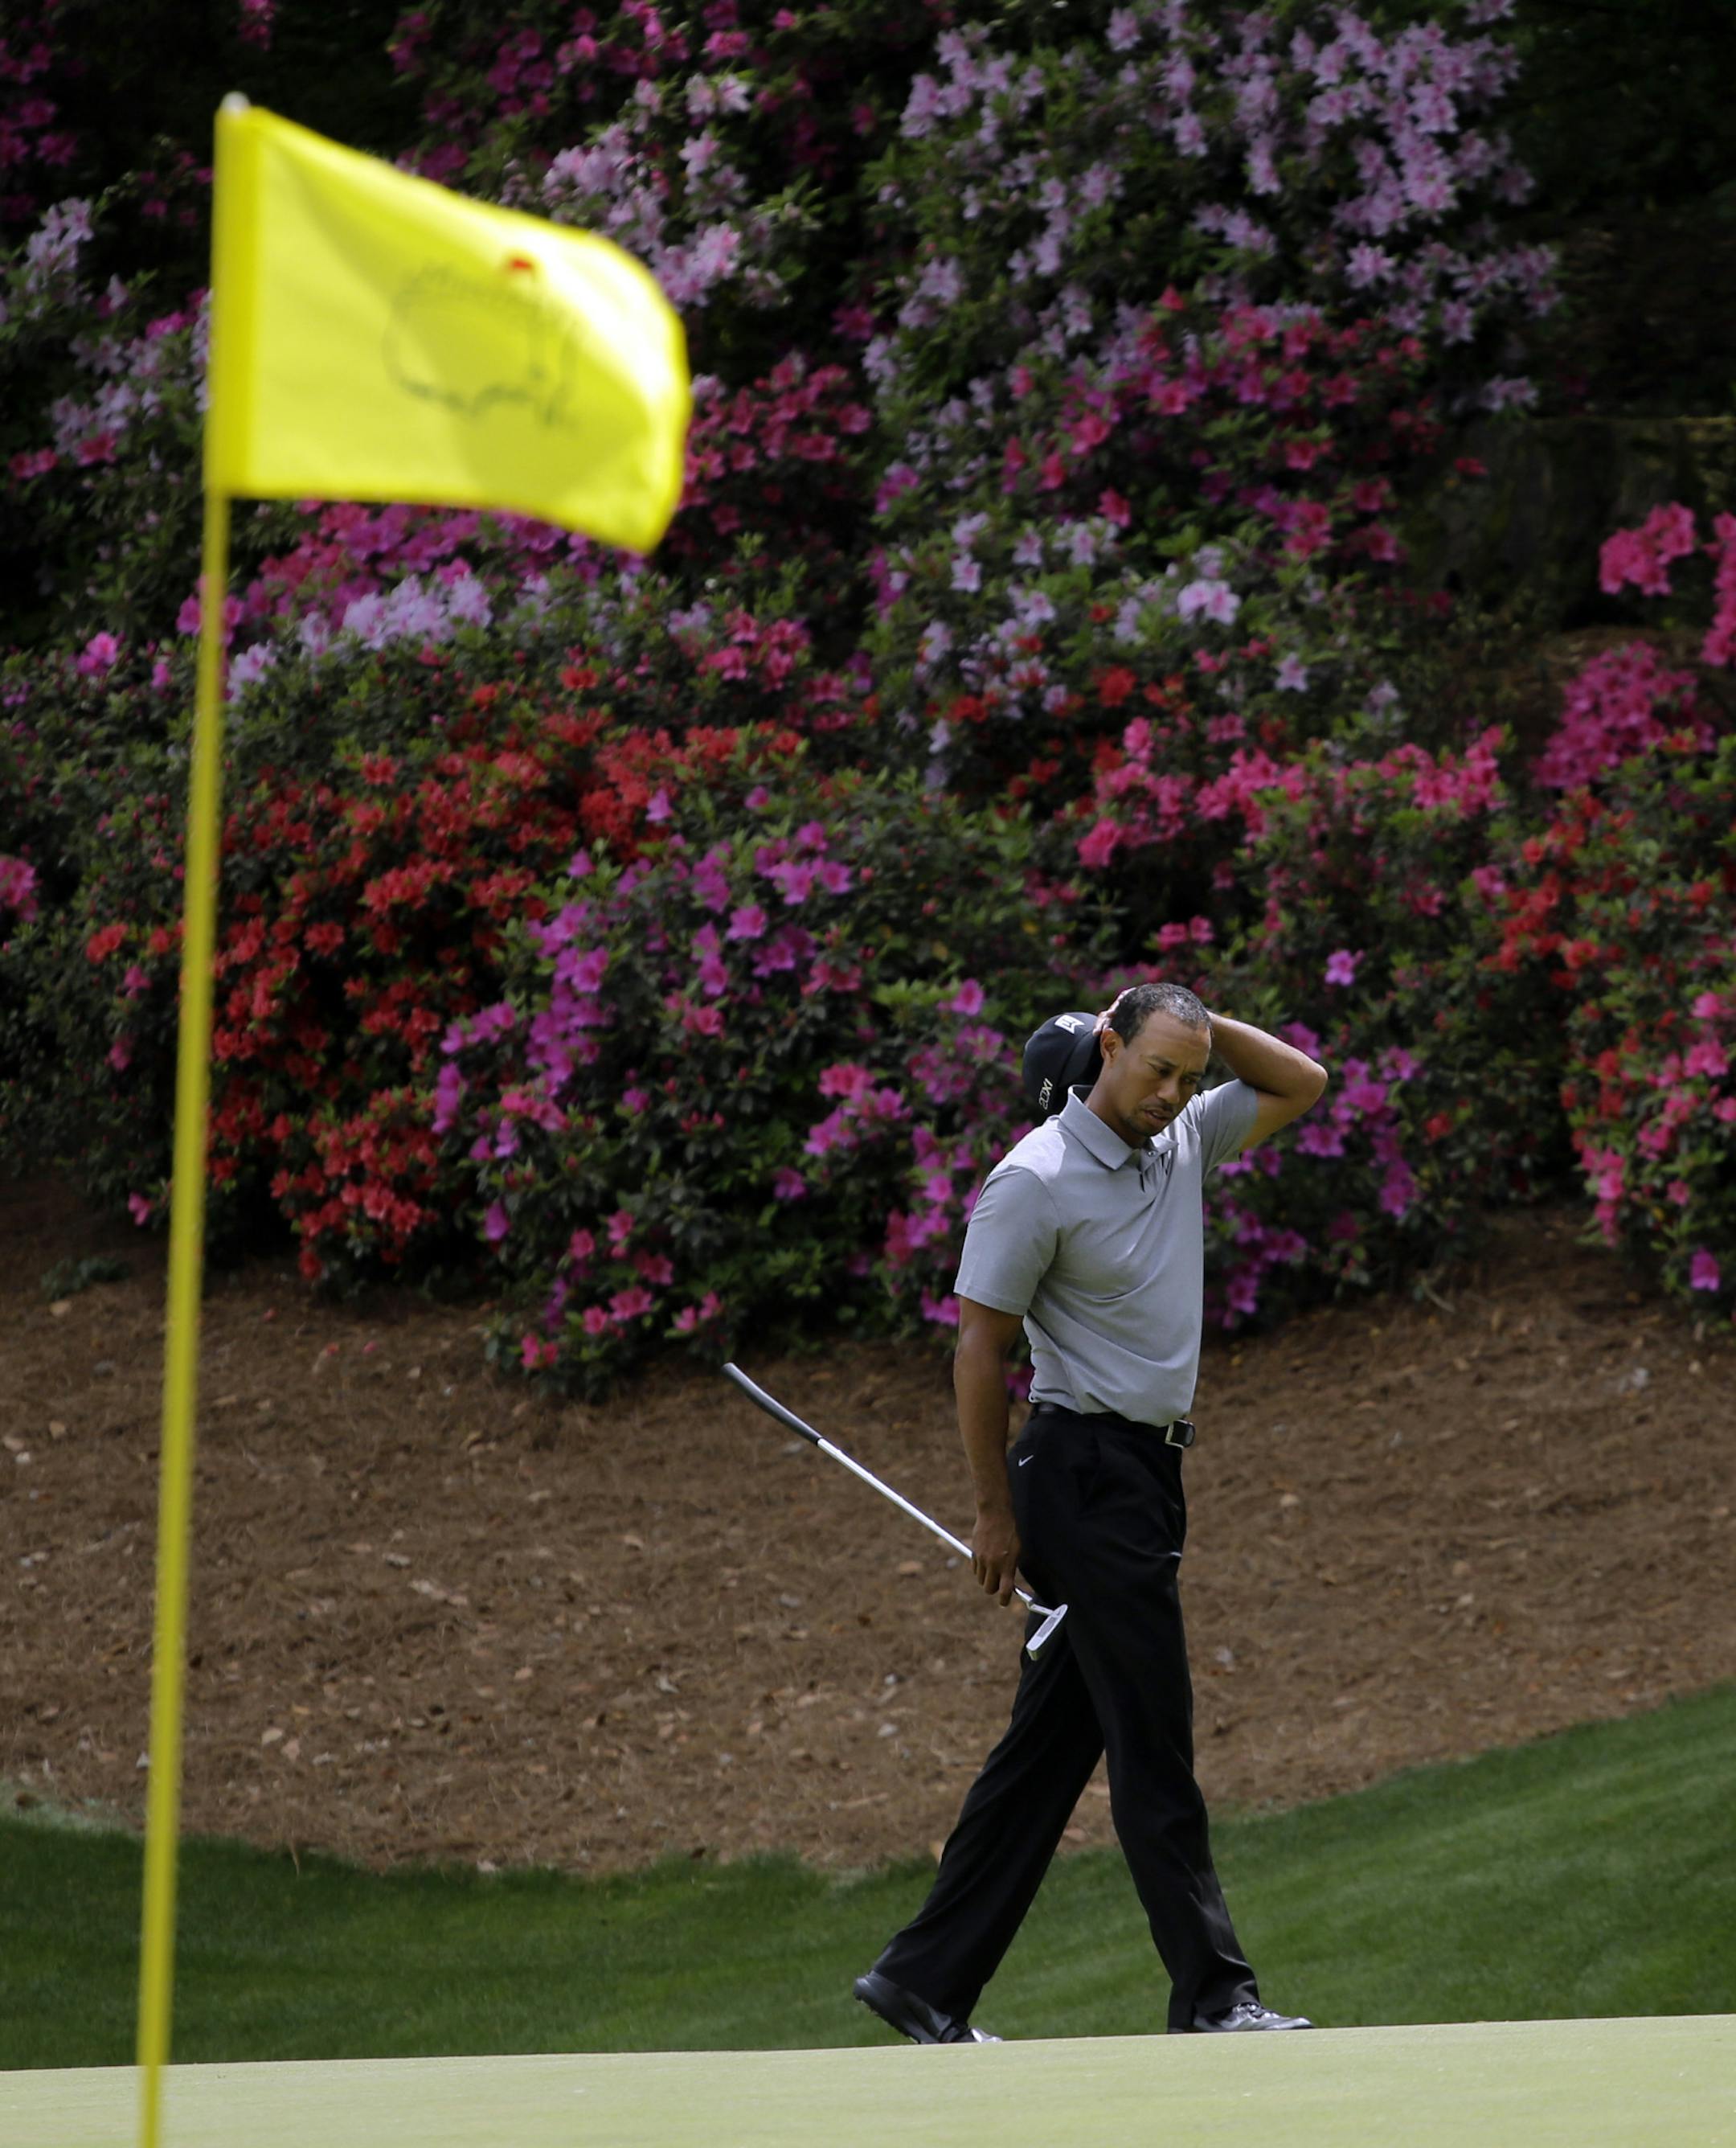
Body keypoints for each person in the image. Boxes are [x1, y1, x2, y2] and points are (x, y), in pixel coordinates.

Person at [853, 980, 1328, 2042]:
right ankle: (1217, 1998)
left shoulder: (1186, 1138)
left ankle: (922, 1979)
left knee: (1048, 1754)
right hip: (1078, 1476)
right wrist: (992, 1514)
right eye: (1155, 1067)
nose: (1174, 1093)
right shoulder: (1036, 1180)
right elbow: (979, 1353)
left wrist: (1197, 1020)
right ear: (1104, 1047)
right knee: (1153, 1737)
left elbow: (1301, 1079)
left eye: (1189, 1077)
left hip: (1145, 1480)